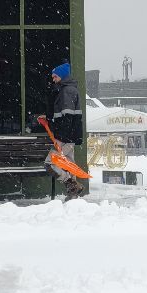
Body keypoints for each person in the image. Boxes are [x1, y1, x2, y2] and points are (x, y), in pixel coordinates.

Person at [43, 61, 85, 199]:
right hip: (68, 135)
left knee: (50, 164)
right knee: (69, 165)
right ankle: (74, 195)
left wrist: (60, 136)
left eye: (55, 76)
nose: (53, 79)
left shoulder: (67, 91)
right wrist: (49, 118)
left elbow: (67, 116)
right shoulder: (66, 90)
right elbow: (61, 115)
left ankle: (71, 184)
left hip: (65, 136)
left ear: (62, 76)